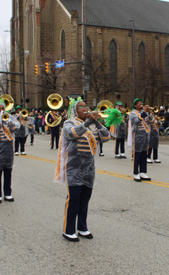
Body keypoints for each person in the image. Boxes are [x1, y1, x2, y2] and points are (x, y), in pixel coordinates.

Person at [54, 97, 110, 242]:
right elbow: (71, 134)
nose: (85, 109)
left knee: (85, 199)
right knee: (74, 198)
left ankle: (82, 227)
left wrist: (96, 122)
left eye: (86, 106)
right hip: (74, 167)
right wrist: (88, 122)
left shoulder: (91, 125)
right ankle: (68, 230)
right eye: (81, 107)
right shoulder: (69, 122)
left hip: (89, 168)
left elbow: (107, 137)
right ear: (74, 110)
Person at [0, 100, 20, 203]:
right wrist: (0, 122)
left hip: (9, 149)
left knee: (8, 172)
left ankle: (7, 193)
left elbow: (17, 128)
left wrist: (9, 123)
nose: (1, 111)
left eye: (3, 109)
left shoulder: (10, 118)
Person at [127, 98, 152, 181]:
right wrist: (144, 112)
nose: (141, 104)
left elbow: (151, 121)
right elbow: (136, 121)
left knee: (144, 154)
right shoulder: (132, 113)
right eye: (139, 103)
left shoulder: (144, 113)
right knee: (137, 154)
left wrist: (149, 113)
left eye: (142, 103)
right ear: (135, 105)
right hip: (137, 135)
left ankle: (142, 172)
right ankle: (136, 173)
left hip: (145, 135)